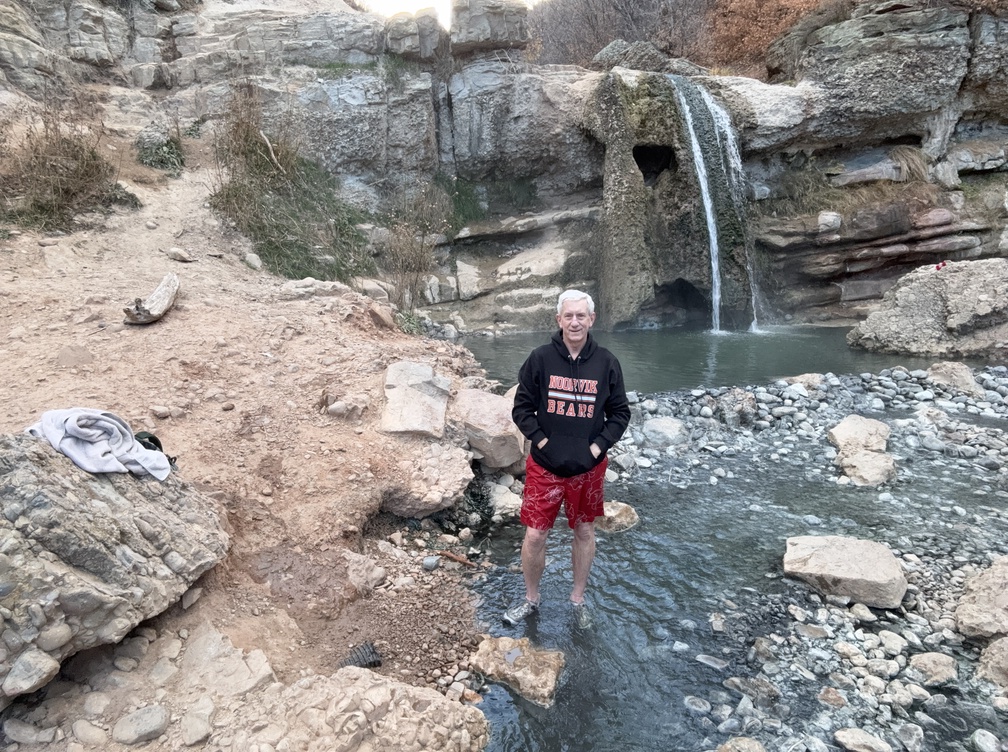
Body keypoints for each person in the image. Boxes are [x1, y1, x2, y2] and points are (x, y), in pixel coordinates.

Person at [505, 289, 630, 629]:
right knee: (534, 536)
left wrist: (596, 448)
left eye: (581, 316)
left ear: (592, 320)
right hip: (545, 467)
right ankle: (531, 599)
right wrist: (543, 440)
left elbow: (619, 413)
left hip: (587, 470)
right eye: (568, 316)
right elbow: (521, 408)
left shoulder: (607, 363)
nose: (575, 322)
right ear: (558, 320)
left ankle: (577, 600)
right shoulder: (540, 358)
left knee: (585, 532)